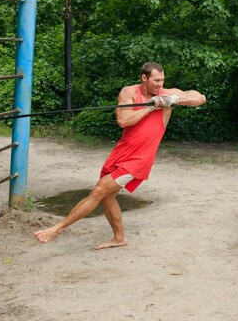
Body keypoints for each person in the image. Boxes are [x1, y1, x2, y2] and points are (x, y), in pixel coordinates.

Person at [34, 62, 206, 249]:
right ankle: (119, 238)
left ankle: (58, 228)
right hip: (121, 153)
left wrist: (171, 100)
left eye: (162, 80)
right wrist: (149, 107)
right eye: (156, 80)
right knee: (107, 197)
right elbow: (123, 120)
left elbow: (200, 98)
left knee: (98, 192)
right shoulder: (129, 93)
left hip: (139, 159)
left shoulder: (165, 94)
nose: (160, 84)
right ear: (144, 78)